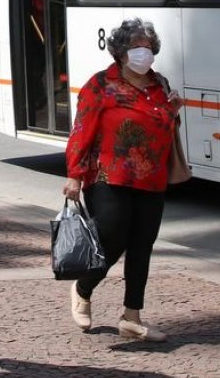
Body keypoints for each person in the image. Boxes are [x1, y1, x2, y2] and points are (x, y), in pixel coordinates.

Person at [62, 18, 182, 342]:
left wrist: (174, 112)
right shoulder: (100, 85)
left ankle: (132, 316)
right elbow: (81, 131)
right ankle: (83, 287)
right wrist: (74, 175)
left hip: (151, 179)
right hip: (107, 175)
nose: (144, 52)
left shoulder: (160, 84)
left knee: (143, 244)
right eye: (136, 46)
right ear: (121, 52)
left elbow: (164, 128)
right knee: (111, 237)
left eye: (148, 46)